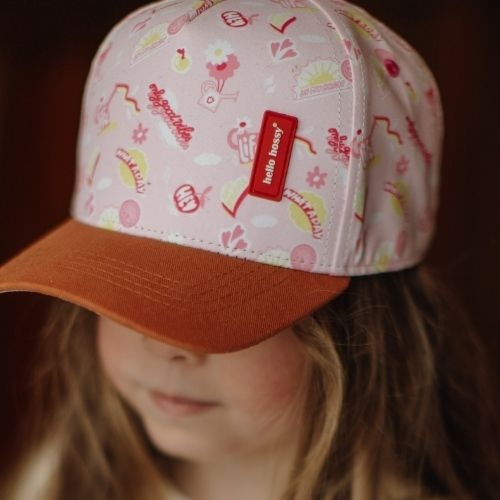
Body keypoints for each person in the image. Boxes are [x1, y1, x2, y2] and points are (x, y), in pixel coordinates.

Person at [0, 0, 498, 499]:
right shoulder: (58, 481)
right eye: (122, 288)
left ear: (365, 331)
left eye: (219, 305)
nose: (164, 346)